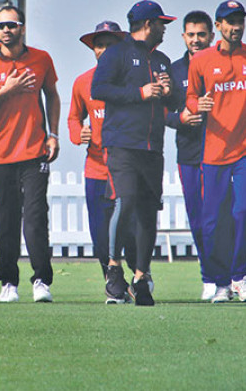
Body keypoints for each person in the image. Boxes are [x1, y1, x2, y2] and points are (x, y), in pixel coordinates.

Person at [0, 5, 60, 303]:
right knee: (5, 221)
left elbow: (52, 95)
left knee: (34, 219)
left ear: (23, 28)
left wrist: (53, 134)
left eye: (12, 25)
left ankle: (41, 281)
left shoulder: (41, 59)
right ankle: (8, 283)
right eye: (1, 26)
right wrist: (6, 91)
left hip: (34, 153)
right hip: (2, 156)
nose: (6, 30)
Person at [91, 0, 182, 306]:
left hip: (152, 147)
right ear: (147, 25)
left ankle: (141, 276)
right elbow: (99, 89)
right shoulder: (117, 53)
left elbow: (174, 103)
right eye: (161, 23)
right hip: (122, 145)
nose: (164, 29)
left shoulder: (163, 60)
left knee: (147, 211)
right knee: (125, 201)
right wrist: (139, 93)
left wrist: (170, 93)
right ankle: (114, 272)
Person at [186, 0, 246, 303]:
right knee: (210, 221)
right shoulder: (201, 60)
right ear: (218, 26)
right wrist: (198, 106)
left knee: (242, 212)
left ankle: (239, 277)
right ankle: (219, 282)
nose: (236, 27)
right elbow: (191, 97)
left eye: (240, 21)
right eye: (230, 22)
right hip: (213, 152)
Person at [67, 20, 137, 303]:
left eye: (111, 44)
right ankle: (114, 284)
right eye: (100, 45)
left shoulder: (134, 79)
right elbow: (73, 117)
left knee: (129, 232)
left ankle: (139, 274)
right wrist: (78, 133)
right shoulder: (83, 82)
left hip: (127, 169)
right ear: (93, 49)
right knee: (100, 236)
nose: (105, 50)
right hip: (95, 169)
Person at [165, 10, 223, 301]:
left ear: (212, 35)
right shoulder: (174, 71)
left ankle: (233, 276)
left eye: (202, 34)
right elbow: (160, 111)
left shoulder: (223, 65)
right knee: (199, 220)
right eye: (191, 35)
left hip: (224, 152)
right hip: (190, 154)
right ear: (184, 37)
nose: (196, 40)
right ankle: (209, 277)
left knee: (225, 218)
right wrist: (180, 119)